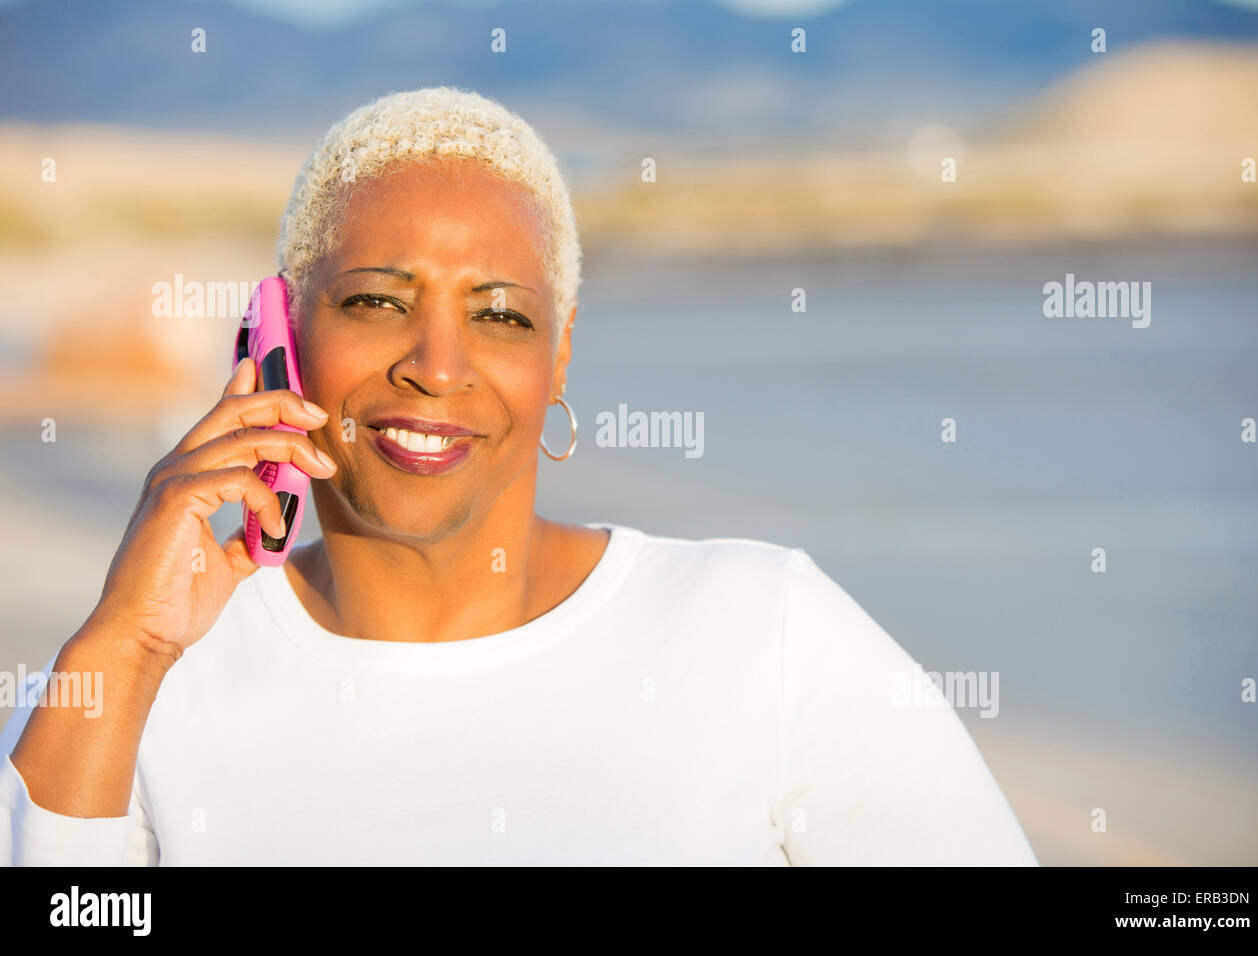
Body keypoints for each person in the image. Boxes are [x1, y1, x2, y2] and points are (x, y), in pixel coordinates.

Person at [0, 87, 1037, 866]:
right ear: (276, 330)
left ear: (561, 355)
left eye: (499, 314)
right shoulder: (140, 682)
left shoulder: (762, 630)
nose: (437, 366)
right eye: (373, 300)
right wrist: (127, 645)